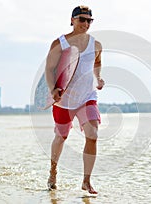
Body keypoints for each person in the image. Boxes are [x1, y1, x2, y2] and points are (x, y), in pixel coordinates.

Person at [45, 5, 104, 194]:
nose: (85, 23)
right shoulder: (60, 43)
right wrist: (53, 89)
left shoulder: (96, 45)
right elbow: (49, 68)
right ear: (72, 20)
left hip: (87, 97)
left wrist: (98, 78)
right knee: (61, 137)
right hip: (64, 99)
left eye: (89, 20)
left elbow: (97, 62)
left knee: (93, 134)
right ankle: (53, 172)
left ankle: (86, 181)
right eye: (82, 19)